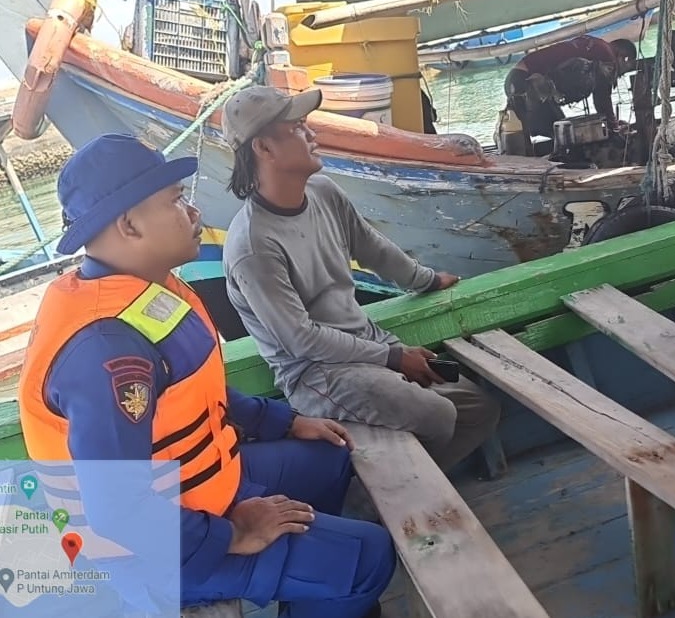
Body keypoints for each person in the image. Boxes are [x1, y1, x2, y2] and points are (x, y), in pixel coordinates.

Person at [16, 134, 395, 617]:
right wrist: (234, 533)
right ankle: (324, 575)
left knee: (330, 455)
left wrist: (281, 421)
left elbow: (193, 390)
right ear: (129, 224)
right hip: (155, 550)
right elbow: (117, 510)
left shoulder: (145, 289)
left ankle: (309, 582)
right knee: (369, 557)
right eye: (176, 202)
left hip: (203, 484)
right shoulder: (105, 350)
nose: (194, 213)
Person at [219, 85, 502, 473]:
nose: (311, 135)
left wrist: (426, 280)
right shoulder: (253, 245)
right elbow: (301, 340)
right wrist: (393, 357)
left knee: (478, 409)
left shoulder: (322, 191)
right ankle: (378, 505)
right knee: (437, 414)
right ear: (264, 150)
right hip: (318, 374)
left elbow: (371, 246)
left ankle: (408, 487)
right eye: (298, 128)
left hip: (366, 343)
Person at [504, 35, 637, 139]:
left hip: (515, 79)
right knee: (562, 134)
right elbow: (602, 98)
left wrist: (611, 123)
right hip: (527, 82)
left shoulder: (598, 46)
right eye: (626, 69)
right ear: (624, 58)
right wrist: (614, 128)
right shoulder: (607, 57)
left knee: (554, 130)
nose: (621, 75)